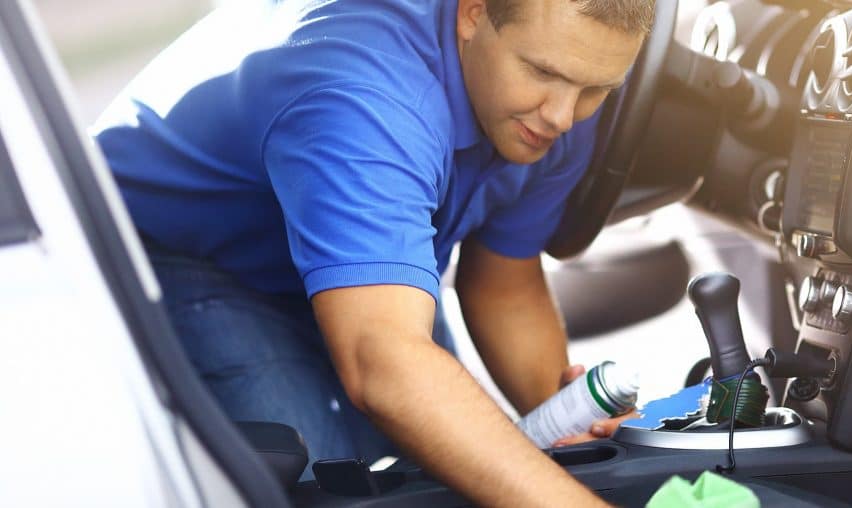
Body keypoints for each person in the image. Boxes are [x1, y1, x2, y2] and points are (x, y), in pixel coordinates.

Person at [93, 0, 651, 505]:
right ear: (473, 13)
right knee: (316, 479)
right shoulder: (370, 98)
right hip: (171, 252)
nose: (562, 115)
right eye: (543, 73)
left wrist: (572, 428)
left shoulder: (561, 95)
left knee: (450, 469)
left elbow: (503, 283)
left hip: (354, 269)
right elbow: (383, 363)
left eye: (596, 89)